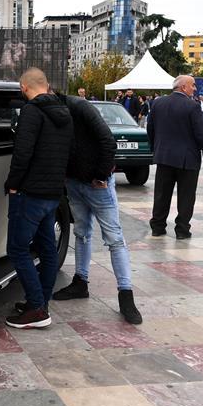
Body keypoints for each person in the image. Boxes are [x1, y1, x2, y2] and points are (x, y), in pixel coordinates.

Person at [49, 91, 142, 324]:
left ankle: (126, 294)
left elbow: (107, 140)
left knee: (114, 238)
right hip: (74, 182)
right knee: (81, 233)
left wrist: (101, 175)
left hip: (96, 184)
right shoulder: (53, 112)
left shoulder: (80, 107)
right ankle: (81, 282)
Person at [3, 68, 73, 329]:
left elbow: (22, 154)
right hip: (53, 193)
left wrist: (12, 185)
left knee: (18, 249)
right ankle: (42, 303)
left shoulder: (32, 112)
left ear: (24, 87)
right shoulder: (64, 112)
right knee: (46, 249)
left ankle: (36, 309)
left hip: (30, 193)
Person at [147, 75, 203, 239]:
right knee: (186, 196)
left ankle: (158, 227)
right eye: (193, 85)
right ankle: (182, 230)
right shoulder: (192, 106)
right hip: (187, 159)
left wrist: (155, 149)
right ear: (183, 87)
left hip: (164, 157)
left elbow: (150, 129)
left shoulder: (158, 103)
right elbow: (200, 133)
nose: (195, 89)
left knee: (161, 194)